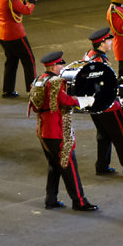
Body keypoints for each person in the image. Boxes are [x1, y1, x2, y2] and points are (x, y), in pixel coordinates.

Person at [28, 51, 98, 211]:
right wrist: (84, 101)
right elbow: (64, 99)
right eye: (60, 64)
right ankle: (79, 201)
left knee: (54, 165)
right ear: (53, 66)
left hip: (43, 131)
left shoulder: (38, 80)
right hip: (57, 131)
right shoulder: (55, 82)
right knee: (69, 165)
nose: (62, 67)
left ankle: (50, 199)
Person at [83, 28, 123, 178]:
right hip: (107, 107)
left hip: (93, 106)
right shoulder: (100, 62)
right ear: (102, 43)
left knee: (103, 135)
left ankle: (102, 165)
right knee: (122, 136)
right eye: (108, 40)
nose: (111, 42)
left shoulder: (89, 55)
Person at [0, 0, 37, 98]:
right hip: (15, 35)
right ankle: (33, 92)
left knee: (11, 61)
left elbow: (16, 7)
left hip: (2, 35)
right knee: (29, 61)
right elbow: (26, 10)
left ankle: (8, 90)